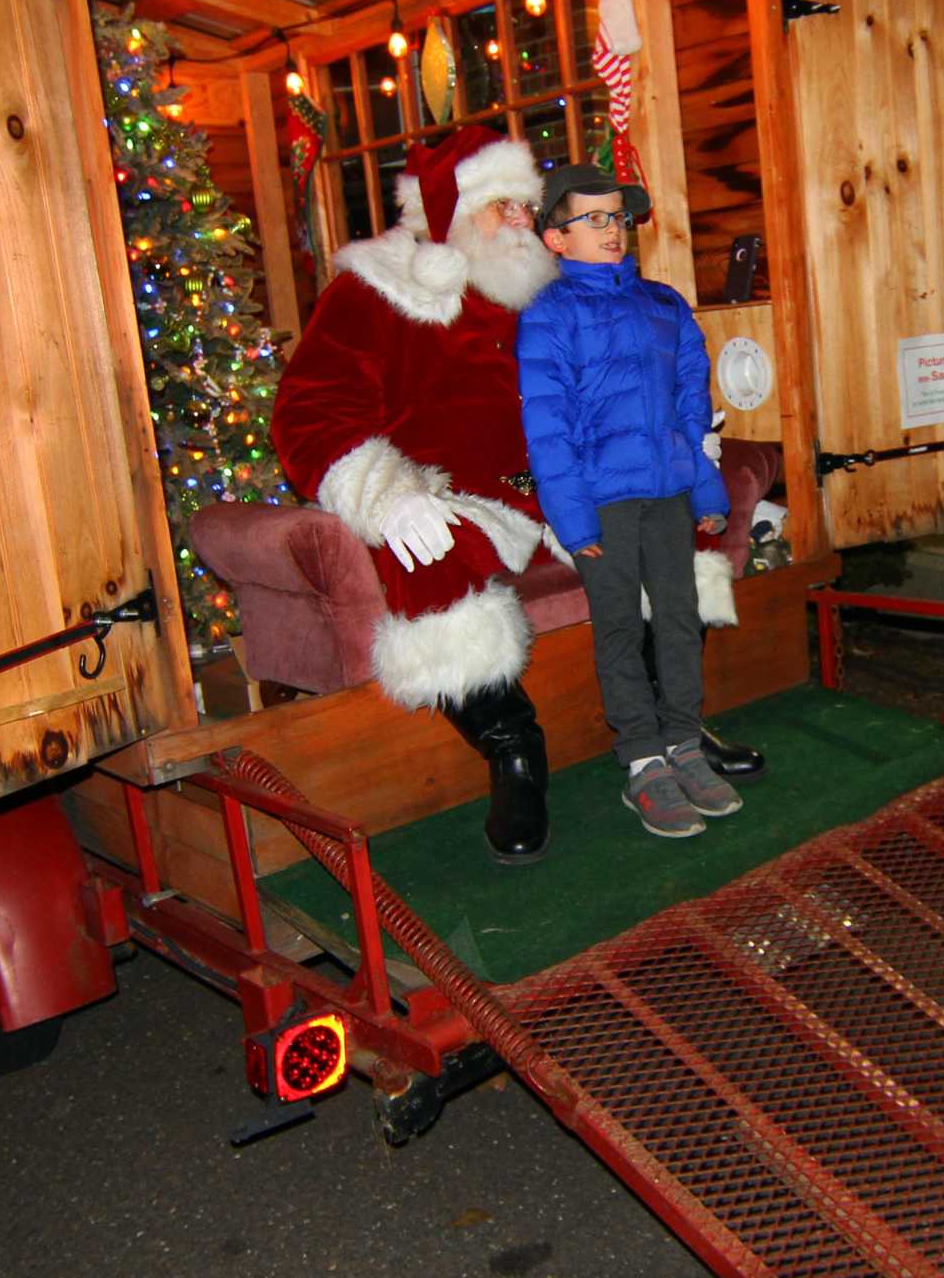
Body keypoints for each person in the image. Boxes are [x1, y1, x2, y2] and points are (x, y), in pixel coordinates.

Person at [273, 125, 561, 866]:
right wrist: (387, 493)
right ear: (452, 209)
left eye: (528, 207)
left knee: (655, 503)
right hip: (457, 502)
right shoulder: (374, 290)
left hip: (555, 494)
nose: (524, 223)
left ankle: (676, 727)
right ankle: (515, 748)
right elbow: (308, 412)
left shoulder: (539, 296)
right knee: (426, 545)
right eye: (506, 207)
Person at [518, 165, 740, 838]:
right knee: (618, 627)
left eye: (617, 216)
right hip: (602, 502)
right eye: (593, 219)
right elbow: (547, 427)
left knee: (678, 615)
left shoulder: (664, 306)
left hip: (669, 490)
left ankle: (683, 743)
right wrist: (573, 516)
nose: (611, 229)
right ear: (556, 239)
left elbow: (690, 410)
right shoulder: (549, 316)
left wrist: (706, 486)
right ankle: (642, 760)